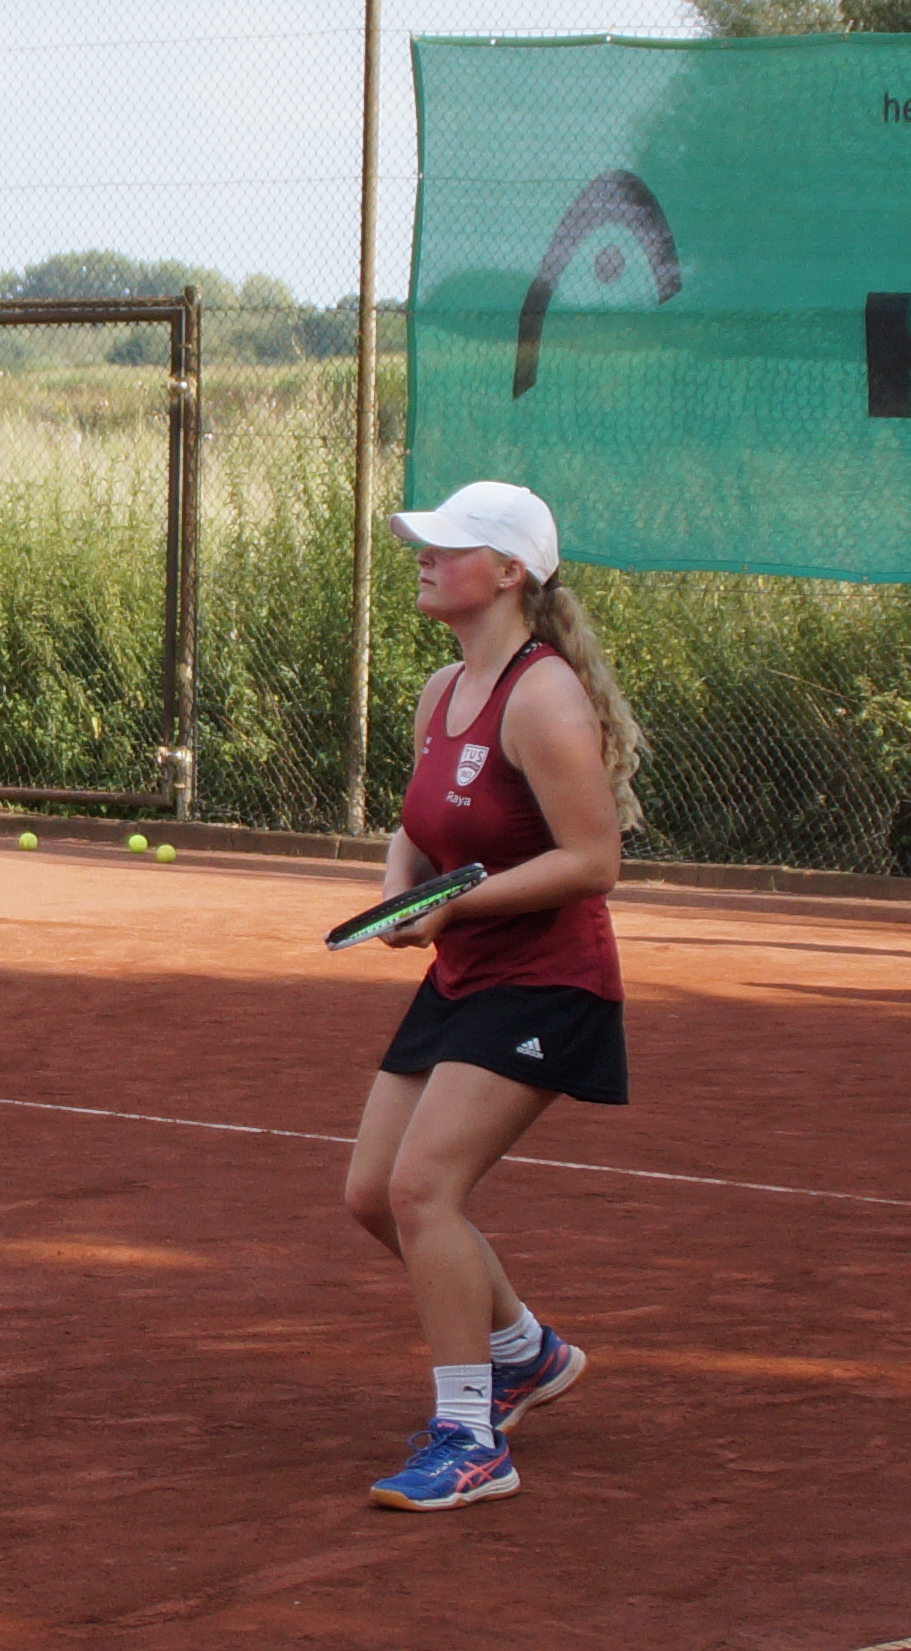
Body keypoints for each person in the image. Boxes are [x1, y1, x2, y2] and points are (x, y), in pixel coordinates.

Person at [344, 480, 647, 1511]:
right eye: (423, 543)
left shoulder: (543, 697)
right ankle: (524, 1351)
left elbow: (594, 862)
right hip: (465, 974)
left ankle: (471, 1437)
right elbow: (418, 822)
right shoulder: (443, 689)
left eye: (448, 545)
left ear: (511, 572)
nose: (423, 556)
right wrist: (403, 892)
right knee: (371, 1193)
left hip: (548, 983)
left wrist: (453, 909)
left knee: (422, 1190)